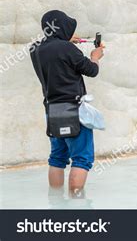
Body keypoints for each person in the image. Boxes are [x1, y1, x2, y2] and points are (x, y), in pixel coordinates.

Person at [30, 10, 105, 197]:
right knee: (81, 159)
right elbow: (91, 70)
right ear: (61, 27)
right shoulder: (67, 49)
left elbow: (53, 51)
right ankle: (76, 206)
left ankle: (56, 203)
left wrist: (65, 41)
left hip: (52, 110)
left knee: (57, 158)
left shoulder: (35, 50)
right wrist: (95, 56)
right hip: (74, 110)